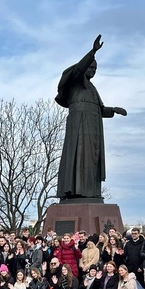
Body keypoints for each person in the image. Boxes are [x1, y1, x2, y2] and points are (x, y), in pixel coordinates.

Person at [55, 34, 127, 200]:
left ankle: (90, 191)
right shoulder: (75, 81)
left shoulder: (92, 88)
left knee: (91, 161)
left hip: (94, 129)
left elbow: (99, 109)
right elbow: (79, 68)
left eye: (95, 69)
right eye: (91, 67)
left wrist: (113, 110)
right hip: (79, 125)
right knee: (78, 157)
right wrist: (92, 52)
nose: (93, 71)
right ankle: (75, 192)